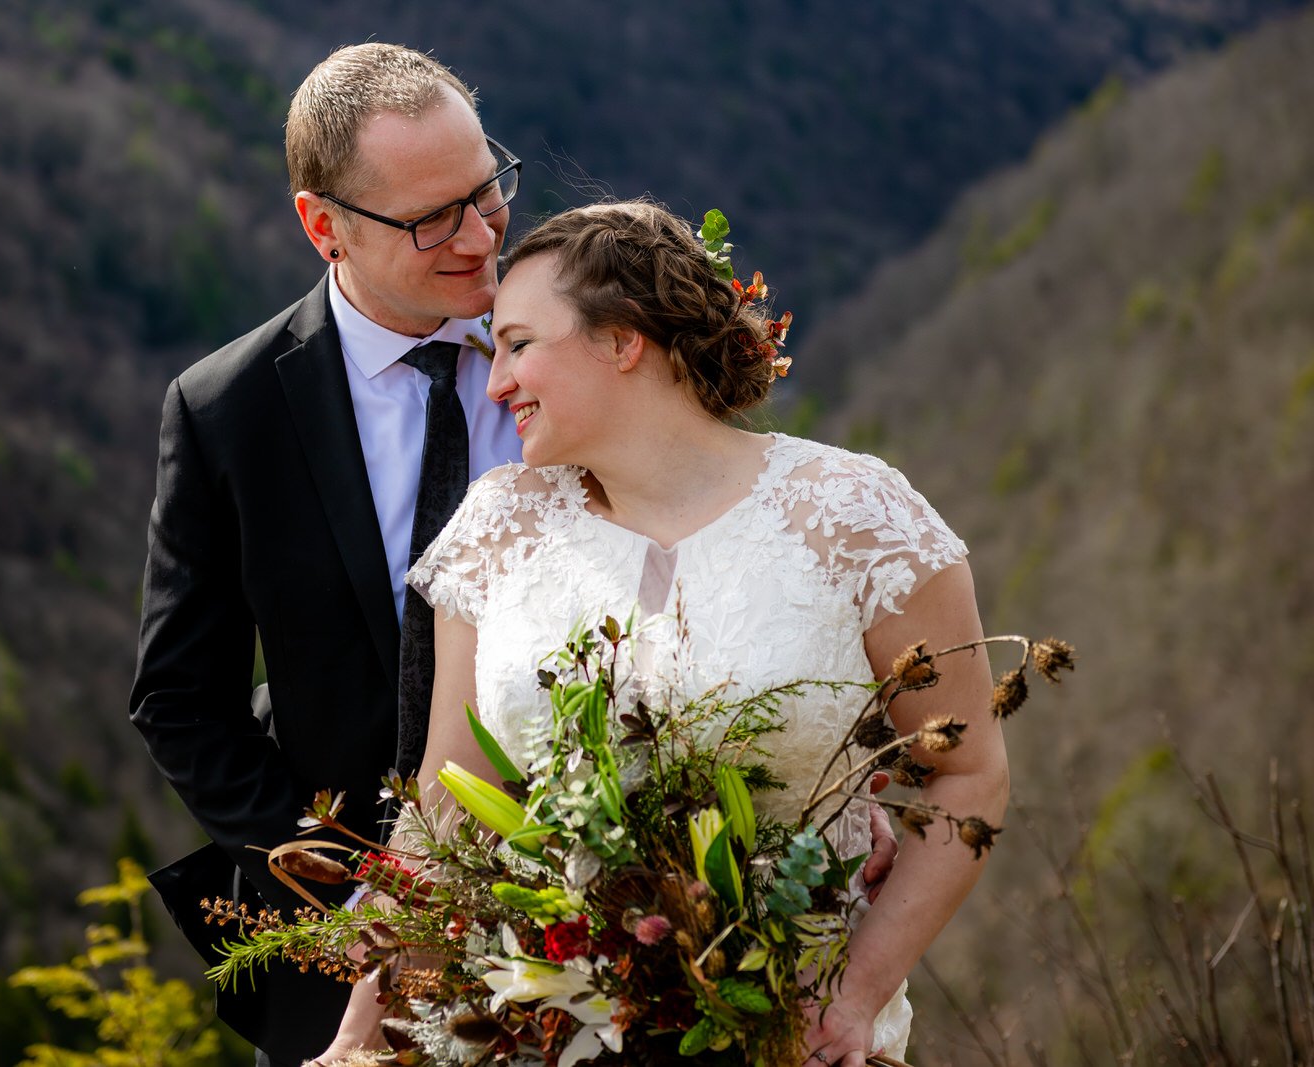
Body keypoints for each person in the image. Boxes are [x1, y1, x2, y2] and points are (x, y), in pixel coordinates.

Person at [133, 44, 896, 1065]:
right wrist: (351, 887)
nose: (479, 233)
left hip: (657, 924)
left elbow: (742, 549)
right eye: (429, 218)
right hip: (365, 954)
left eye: (486, 189)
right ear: (325, 228)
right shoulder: (227, 411)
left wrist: (829, 778)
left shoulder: (583, 321)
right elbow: (181, 699)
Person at [313, 201, 1009, 1067]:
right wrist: (362, 1029)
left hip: (789, 1034)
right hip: (540, 1031)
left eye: (521, 344)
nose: (495, 384)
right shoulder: (498, 527)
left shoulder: (858, 515)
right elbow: (448, 808)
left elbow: (969, 773)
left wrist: (853, 997)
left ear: (622, 339)